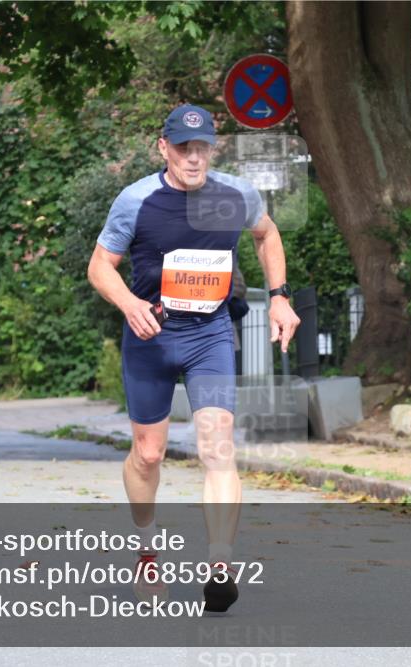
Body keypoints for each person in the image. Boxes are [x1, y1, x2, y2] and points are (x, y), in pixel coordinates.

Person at [87, 103, 300, 612]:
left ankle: (221, 565)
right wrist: (130, 303)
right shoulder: (135, 200)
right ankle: (146, 551)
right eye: (183, 147)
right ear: (164, 147)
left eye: (202, 146)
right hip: (151, 336)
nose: (193, 156)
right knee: (149, 454)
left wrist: (280, 295)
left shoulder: (235, 195)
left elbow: (267, 233)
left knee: (217, 447)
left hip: (209, 335)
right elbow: (100, 267)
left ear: (213, 147)